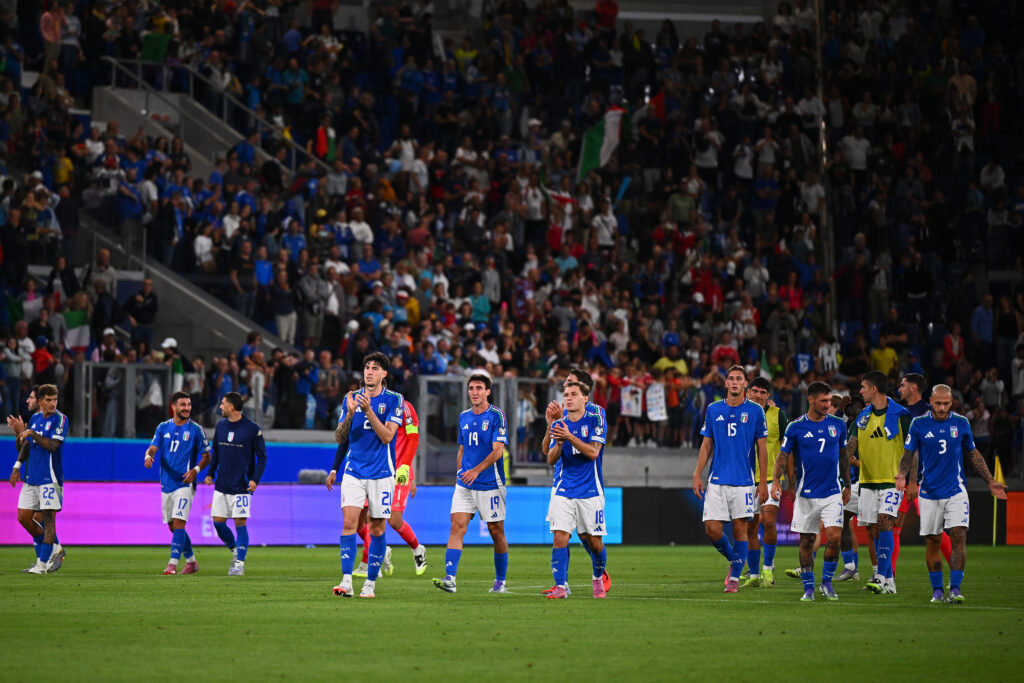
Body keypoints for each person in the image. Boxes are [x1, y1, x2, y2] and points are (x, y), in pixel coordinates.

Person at [897, 384, 1007, 603]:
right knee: (933, 540)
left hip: (956, 491)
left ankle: (955, 589)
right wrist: (902, 475)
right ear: (931, 401)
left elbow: (973, 454)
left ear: (951, 402)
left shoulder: (961, 422)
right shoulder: (918, 424)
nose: (942, 407)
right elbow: (909, 454)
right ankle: (937, 591)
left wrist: (990, 481)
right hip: (928, 493)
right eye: (937, 403)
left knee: (958, 535)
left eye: (946, 403)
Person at [327, 353, 405, 598]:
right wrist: (350, 414)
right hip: (354, 472)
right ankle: (347, 581)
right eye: (367, 368)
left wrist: (368, 411)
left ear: (384, 374)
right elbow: (340, 438)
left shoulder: (394, 400)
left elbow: (387, 437)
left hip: (382, 473)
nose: (369, 372)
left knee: (378, 528)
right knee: (349, 524)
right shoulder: (350, 399)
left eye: (375, 368)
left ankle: (370, 584)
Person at [692, 365, 768, 593]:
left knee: (740, 529)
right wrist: (697, 473)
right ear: (725, 383)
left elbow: (762, 449)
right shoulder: (714, 409)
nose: (734, 382)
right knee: (712, 530)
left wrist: (762, 481)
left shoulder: (755, 411)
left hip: (744, 481)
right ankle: (736, 559)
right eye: (731, 378)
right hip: (716, 480)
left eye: (739, 379)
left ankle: (734, 578)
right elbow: (707, 444)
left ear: (745, 384)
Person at [433, 373, 510, 594]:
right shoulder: (463, 417)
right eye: (471, 388)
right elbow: (462, 449)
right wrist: (461, 472)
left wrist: (476, 471)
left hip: (490, 484)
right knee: (456, 526)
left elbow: (498, 451)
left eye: (479, 388)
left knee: (496, 532)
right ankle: (450, 578)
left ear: (488, 391)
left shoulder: (497, 416)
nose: (474, 392)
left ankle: (500, 581)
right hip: (465, 484)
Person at [773, 382, 851, 601]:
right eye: (824, 401)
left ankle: (826, 582)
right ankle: (808, 588)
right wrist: (776, 481)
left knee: (834, 538)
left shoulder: (838, 425)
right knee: (806, 541)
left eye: (829, 401)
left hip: (833, 492)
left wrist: (848, 484)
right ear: (811, 400)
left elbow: (844, 455)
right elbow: (782, 456)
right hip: (807, 494)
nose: (828, 405)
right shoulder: (795, 427)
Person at [542, 368, 612, 595]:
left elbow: (593, 452)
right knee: (560, 535)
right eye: (565, 392)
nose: (567, 394)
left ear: (585, 395)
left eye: (572, 390)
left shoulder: (596, 416)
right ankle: (561, 585)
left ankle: (598, 575)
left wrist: (569, 437)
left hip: (590, 488)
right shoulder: (560, 421)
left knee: (594, 542)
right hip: (563, 486)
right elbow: (549, 456)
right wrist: (555, 433)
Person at [849, 371, 910, 594]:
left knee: (885, 523)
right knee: (873, 530)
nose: (860, 391)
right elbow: (851, 446)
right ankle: (889, 581)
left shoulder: (901, 415)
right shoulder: (862, 417)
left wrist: (910, 480)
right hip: (867, 482)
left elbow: (912, 450)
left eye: (863, 387)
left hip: (892, 482)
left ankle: (881, 576)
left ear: (874, 389)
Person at [354, 397, 427, 577]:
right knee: (357, 521)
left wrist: (409, 472)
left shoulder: (404, 407)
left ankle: (417, 550)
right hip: (375, 469)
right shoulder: (368, 406)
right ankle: (379, 551)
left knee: (393, 520)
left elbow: (412, 438)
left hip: (398, 474)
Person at [144, 392, 211, 575]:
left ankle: (172, 565)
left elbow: (207, 457)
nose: (187, 408)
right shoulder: (163, 427)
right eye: (183, 405)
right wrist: (148, 456)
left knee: (179, 523)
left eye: (189, 404)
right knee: (173, 526)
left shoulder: (196, 430)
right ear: (173, 407)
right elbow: (152, 448)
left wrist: (195, 471)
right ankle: (191, 562)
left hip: (185, 483)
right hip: (166, 484)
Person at [203, 391, 267, 576]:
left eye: (223, 403)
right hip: (221, 484)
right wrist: (210, 474)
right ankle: (235, 550)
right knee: (218, 523)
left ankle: (239, 563)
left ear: (231, 407)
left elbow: (262, 456)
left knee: (240, 522)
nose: (220, 407)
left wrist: (255, 478)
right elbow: (215, 452)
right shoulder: (221, 426)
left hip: (242, 485)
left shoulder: (252, 429)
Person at [894, 373, 951, 572]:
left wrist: (913, 480)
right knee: (894, 526)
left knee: (934, 529)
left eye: (903, 385)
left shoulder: (930, 412)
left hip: (925, 481)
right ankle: (888, 578)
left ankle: (956, 568)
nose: (899, 389)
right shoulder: (899, 412)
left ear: (914, 388)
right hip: (902, 479)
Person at [7, 384, 67, 574]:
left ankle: (41, 564)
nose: (52, 403)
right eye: (48, 400)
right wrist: (17, 465)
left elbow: (53, 445)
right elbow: (26, 446)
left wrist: (31, 432)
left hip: (51, 479)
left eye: (55, 399)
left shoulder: (61, 419)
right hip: (31, 477)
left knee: (48, 520)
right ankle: (54, 548)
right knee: (24, 517)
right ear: (41, 401)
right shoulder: (34, 418)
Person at [740, 376, 788, 587]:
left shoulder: (778, 415)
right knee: (750, 529)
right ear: (748, 391)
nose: (758, 395)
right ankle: (753, 575)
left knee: (768, 522)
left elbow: (787, 448)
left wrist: (785, 479)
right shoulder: (740, 414)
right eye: (755, 391)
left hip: (771, 479)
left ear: (768, 395)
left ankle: (768, 569)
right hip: (745, 479)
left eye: (763, 392)